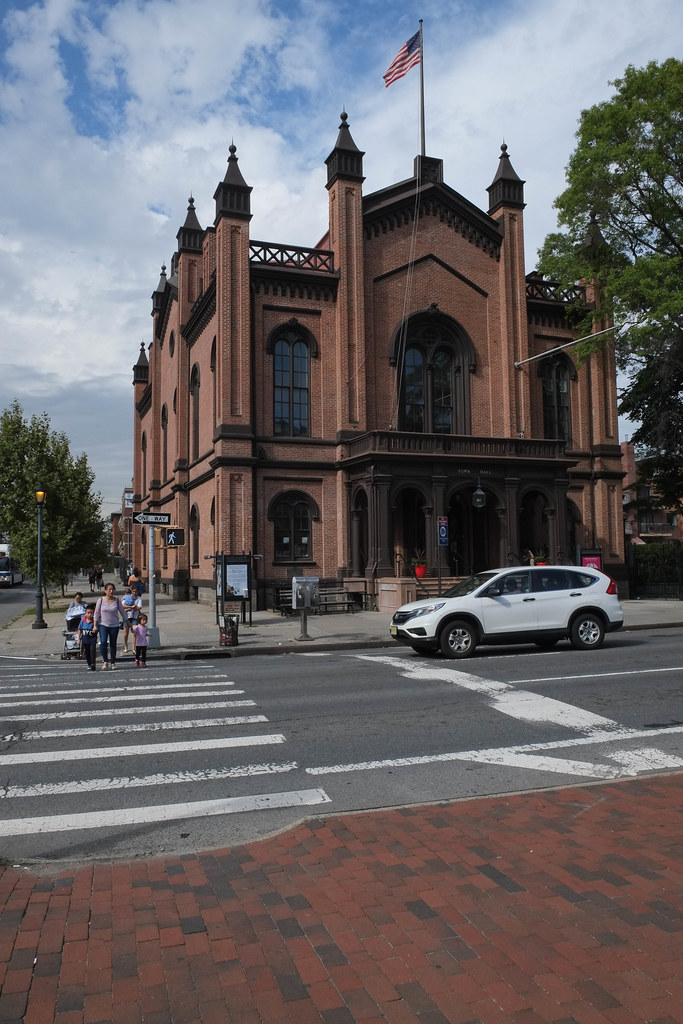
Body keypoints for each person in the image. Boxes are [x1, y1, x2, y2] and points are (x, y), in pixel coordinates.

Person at [93, 583, 127, 670]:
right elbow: (96, 613)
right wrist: (95, 625)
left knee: (113, 644)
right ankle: (105, 661)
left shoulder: (117, 601)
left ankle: (113, 662)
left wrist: (127, 622)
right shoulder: (100, 600)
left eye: (112, 589)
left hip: (114, 625)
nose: (111, 591)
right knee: (103, 642)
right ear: (105, 591)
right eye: (109, 589)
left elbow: (123, 613)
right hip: (103, 625)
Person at [121, 586, 142, 654]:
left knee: (134, 632)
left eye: (136, 592)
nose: (134, 593)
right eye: (133, 591)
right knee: (125, 633)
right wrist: (131, 607)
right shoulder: (127, 597)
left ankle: (133, 648)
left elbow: (139, 607)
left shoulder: (139, 598)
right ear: (131, 591)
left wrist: (130, 608)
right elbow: (122, 605)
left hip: (135, 617)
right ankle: (126, 646)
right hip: (126, 617)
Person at [77, 606, 98, 671]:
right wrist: (78, 639)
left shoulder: (94, 622)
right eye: (88, 613)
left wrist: (95, 630)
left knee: (92, 652)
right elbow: (79, 629)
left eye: (91, 613)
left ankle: (93, 664)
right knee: (87, 653)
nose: (90, 614)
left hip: (92, 640)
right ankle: (89, 663)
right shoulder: (83, 621)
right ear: (85, 614)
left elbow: (97, 628)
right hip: (85, 640)